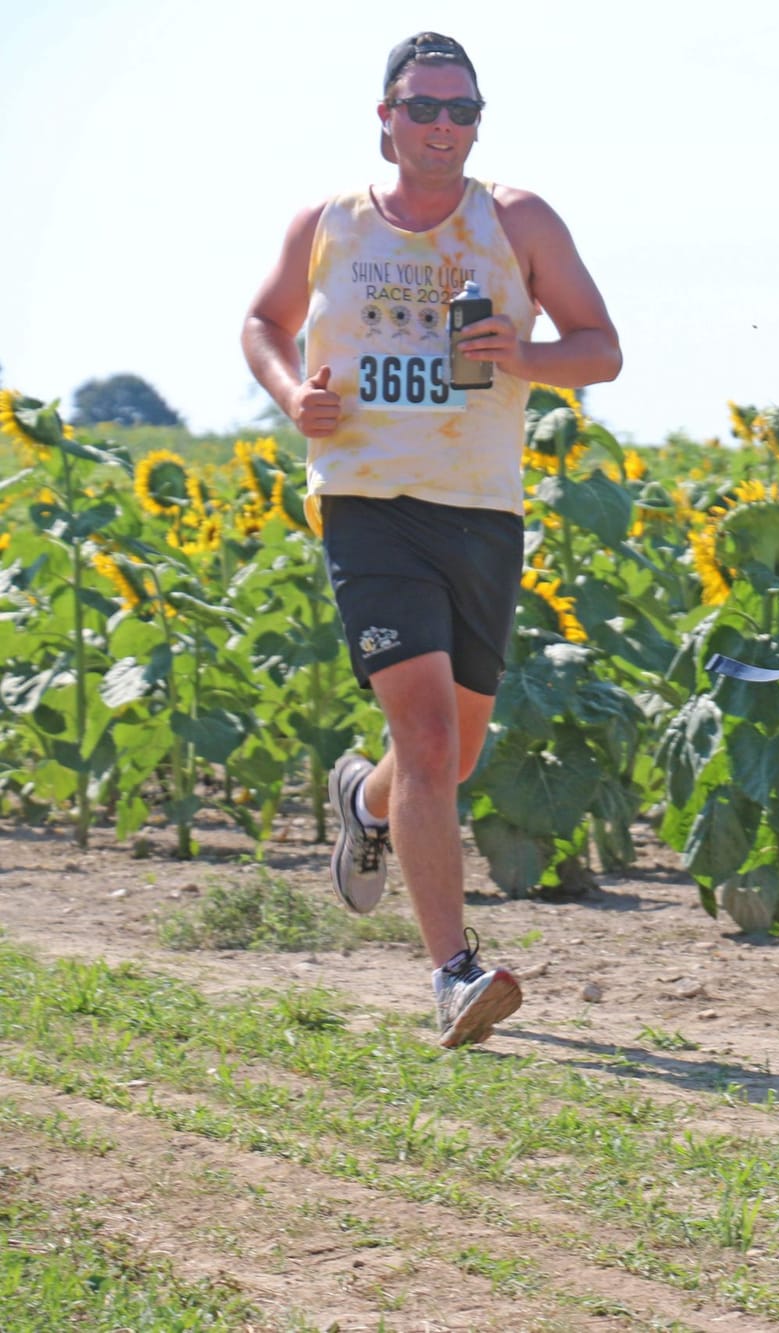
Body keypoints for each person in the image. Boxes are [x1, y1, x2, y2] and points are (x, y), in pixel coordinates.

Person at [242, 33, 621, 1048]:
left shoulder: (517, 220)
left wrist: (527, 354)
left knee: (447, 758)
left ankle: (363, 805)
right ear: (386, 117)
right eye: (424, 108)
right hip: (366, 502)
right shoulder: (329, 225)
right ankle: (453, 973)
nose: (443, 127)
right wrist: (292, 396)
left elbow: (604, 349)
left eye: (462, 111)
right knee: (426, 736)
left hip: (481, 510)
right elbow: (261, 324)